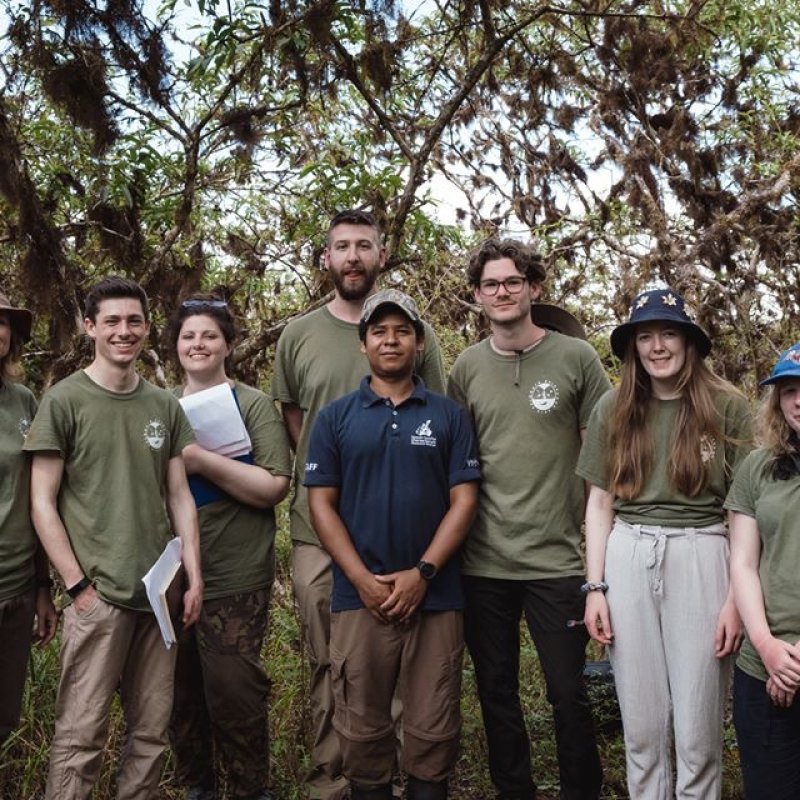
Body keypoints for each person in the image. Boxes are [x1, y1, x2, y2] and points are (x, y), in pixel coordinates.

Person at [272, 209, 445, 800]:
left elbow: (439, 426)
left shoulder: (419, 338)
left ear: (380, 255)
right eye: (341, 246)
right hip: (319, 533)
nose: (352, 256)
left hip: (405, 537)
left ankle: (393, 778)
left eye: (363, 246)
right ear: (326, 258)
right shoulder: (298, 334)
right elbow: (297, 421)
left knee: (397, 664)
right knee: (334, 663)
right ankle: (333, 782)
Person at [25, 276, 203, 800]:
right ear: (89, 328)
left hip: (159, 597)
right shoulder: (64, 401)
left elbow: (179, 496)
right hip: (97, 597)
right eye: (111, 322)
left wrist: (194, 577)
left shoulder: (163, 405)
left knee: (150, 735)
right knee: (81, 734)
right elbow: (42, 502)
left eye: (133, 321)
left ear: (147, 327)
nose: (123, 332)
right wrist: (77, 587)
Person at [447, 238, 608, 800]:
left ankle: (581, 790)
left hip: (556, 559)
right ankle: (514, 790)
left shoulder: (575, 358)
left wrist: (598, 551)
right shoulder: (466, 367)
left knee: (569, 692)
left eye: (513, 281)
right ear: (477, 296)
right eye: (490, 284)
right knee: (497, 691)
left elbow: (601, 458)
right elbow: (456, 461)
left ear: (534, 288)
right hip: (484, 561)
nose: (502, 292)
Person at [305, 289, 480, 800]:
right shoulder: (335, 418)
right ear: (363, 345)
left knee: (432, 731)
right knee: (362, 734)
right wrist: (361, 579)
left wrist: (423, 573)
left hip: (436, 596)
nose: (391, 340)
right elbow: (321, 505)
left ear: (419, 343)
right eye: (379, 331)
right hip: (360, 599)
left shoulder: (449, 417)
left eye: (402, 330)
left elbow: (464, 501)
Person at [579, 287, 752, 799]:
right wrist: (596, 588)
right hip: (629, 553)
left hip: (703, 551)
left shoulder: (726, 406)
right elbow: (598, 504)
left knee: (698, 730)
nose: (657, 346)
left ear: (689, 342)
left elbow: (743, 511)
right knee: (643, 725)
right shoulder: (614, 406)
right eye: (645, 335)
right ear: (632, 345)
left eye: (668, 333)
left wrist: (733, 602)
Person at [167, 296, 292, 800]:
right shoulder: (160, 407)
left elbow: (272, 485)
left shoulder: (254, 405)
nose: (198, 344)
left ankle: (248, 788)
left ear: (229, 345)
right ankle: (196, 785)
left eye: (210, 336)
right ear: (175, 346)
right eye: (188, 336)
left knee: (233, 691)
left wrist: (198, 460)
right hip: (172, 575)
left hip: (236, 571)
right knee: (180, 693)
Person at [726, 342, 800, 799]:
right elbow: (744, 562)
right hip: (763, 668)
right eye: (789, 390)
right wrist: (769, 648)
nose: (799, 400)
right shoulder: (758, 468)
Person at [0, 288, 57, 746]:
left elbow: (38, 496)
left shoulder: (23, 401)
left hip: (16, 585)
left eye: (3, 323)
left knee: (3, 716)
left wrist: (42, 586)